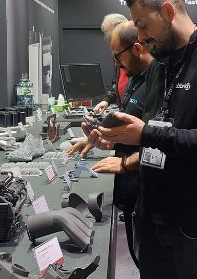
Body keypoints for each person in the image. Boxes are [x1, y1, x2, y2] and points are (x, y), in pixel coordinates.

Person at [93, 0, 197, 279]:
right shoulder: (160, 65)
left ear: (168, 11)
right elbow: (159, 129)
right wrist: (121, 139)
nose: (140, 36)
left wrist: (146, 134)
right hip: (154, 216)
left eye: (143, 25)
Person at [66, 21, 153, 268]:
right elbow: (132, 132)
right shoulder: (135, 79)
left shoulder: (158, 82)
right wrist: (107, 141)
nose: (115, 64)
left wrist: (126, 162)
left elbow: (160, 142)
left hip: (146, 187)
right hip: (131, 188)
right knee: (140, 256)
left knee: (150, 259)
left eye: (117, 56)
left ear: (137, 48)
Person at [94, 13, 130, 114]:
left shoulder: (135, 52)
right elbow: (117, 84)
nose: (106, 37)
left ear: (118, 25)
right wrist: (107, 100)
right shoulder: (119, 53)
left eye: (107, 32)